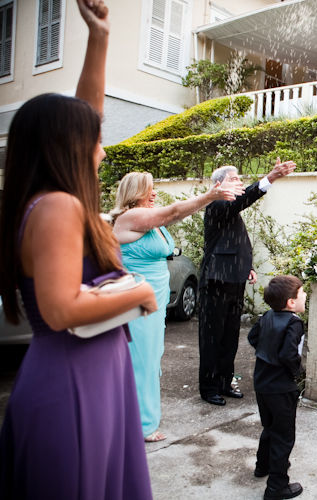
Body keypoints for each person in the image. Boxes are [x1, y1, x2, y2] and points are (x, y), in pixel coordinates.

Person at [0, 1, 158, 498]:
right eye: (94, 139)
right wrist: (138, 294)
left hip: (95, 370)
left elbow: (87, 112)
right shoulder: (56, 208)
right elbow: (62, 307)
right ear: (67, 146)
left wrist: (101, 38)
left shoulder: (64, 200)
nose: (103, 148)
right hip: (69, 383)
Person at [110, 172, 243, 442]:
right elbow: (173, 212)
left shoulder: (150, 218)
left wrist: (210, 198)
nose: (155, 193)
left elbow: (174, 215)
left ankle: (133, 415)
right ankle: (142, 425)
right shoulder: (130, 217)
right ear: (135, 192)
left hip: (157, 296)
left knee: (151, 355)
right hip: (137, 297)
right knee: (142, 359)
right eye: (150, 189)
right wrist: (210, 196)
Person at [199, 160, 296, 406]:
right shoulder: (217, 203)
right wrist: (270, 177)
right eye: (234, 179)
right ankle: (209, 388)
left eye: (240, 179)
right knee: (213, 337)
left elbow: (233, 243)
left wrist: (247, 267)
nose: (240, 182)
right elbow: (244, 199)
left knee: (230, 336)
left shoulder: (230, 208)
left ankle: (224, 382)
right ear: (219, 185)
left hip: (235, 279)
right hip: (216, 282)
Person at [247, 275, 306, 500]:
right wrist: (296, 371)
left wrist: (267, 352)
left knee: (270, 428)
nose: (305, 296)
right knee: (283, 436)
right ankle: (276, 486)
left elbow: (253, 338)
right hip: (281, 388)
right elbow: (289, 354)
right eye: (302, 293)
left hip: (262, 383)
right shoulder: (294, 323)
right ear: (291, 302)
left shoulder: (267, 316)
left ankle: (262, 466)